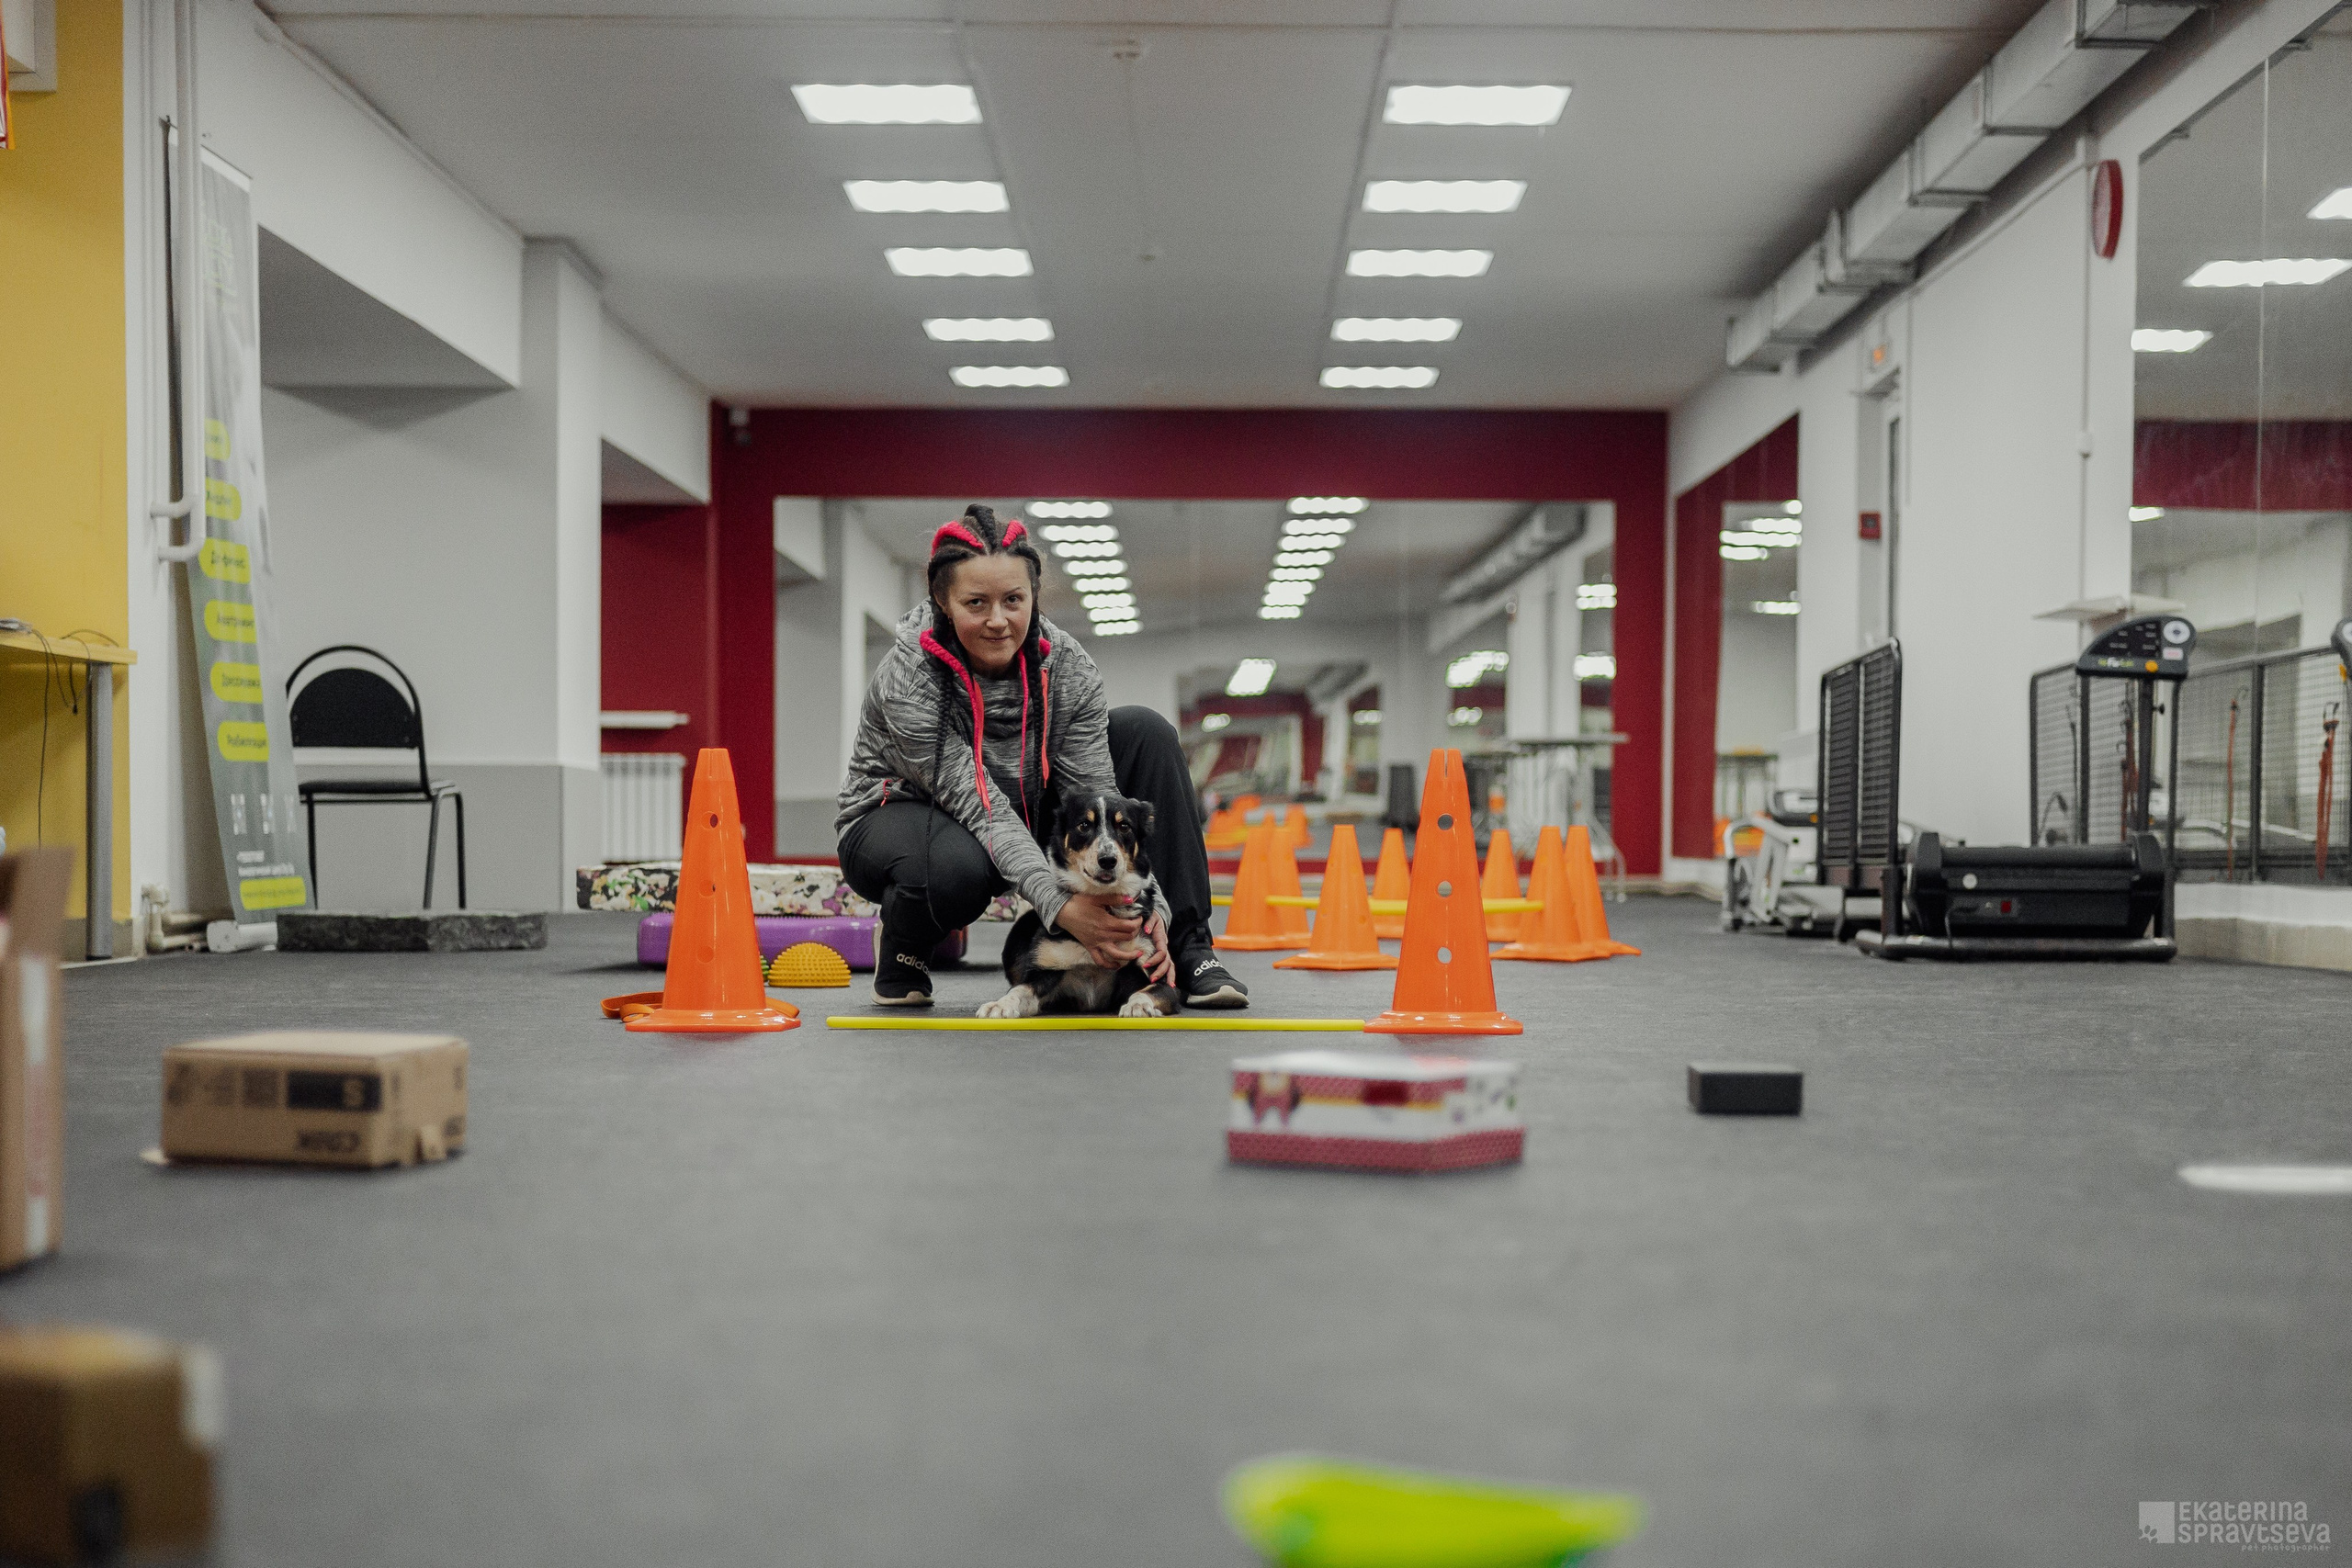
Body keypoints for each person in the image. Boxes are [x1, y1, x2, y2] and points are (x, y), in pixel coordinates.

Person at [837, 503, 1249, 1010]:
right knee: (956, 869)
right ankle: (905, 943)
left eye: (1013, 600)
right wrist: (1064, 910)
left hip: (1026, 807)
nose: (997, 621)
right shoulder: (909, 678)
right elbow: (980, 807)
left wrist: (1151, 910)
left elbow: (1098, 794)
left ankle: (1186, 947)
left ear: (1034, 596)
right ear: (943, 601)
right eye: (975, 603)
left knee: (1145, 730)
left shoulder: (1067, 666)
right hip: (907, 818)